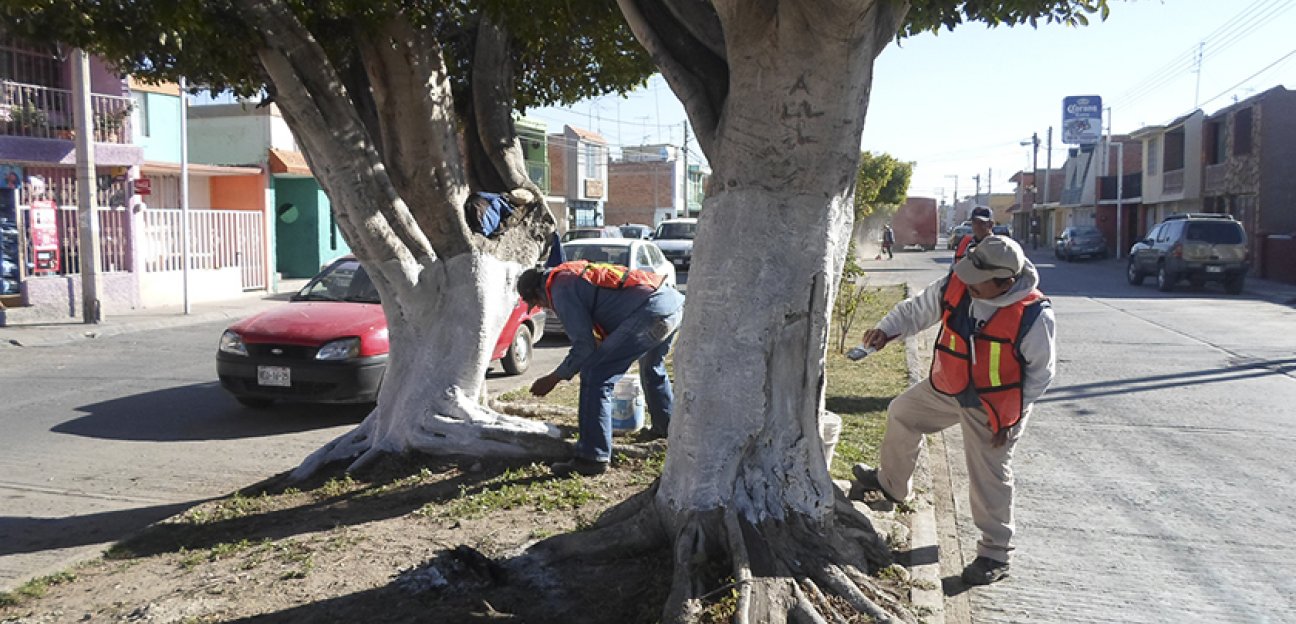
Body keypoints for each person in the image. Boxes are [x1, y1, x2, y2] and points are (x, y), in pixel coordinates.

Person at [850, 235, 1055, 586]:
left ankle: (995, 553)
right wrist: (885, 330)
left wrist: (1011, 418)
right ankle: (892, 486)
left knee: (988, 473)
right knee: (903, 413)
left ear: (1005, 282)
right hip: (949, 387)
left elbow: (1040, 374)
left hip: (995, 406)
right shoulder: (958, 285)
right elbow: (915, 310)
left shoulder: (1034, 315)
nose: (969, 283)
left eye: (979, 280)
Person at [517, 260, 685, 477]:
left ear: (537, 292)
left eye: (538, 303)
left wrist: (554, 378)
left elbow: (583, 347)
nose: (545, 308)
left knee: (595, 375)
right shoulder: (569, 275)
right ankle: (666, 429)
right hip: (671, 303)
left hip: (649, 312)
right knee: (652, 367)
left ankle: (592, 457)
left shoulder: (560, 290)